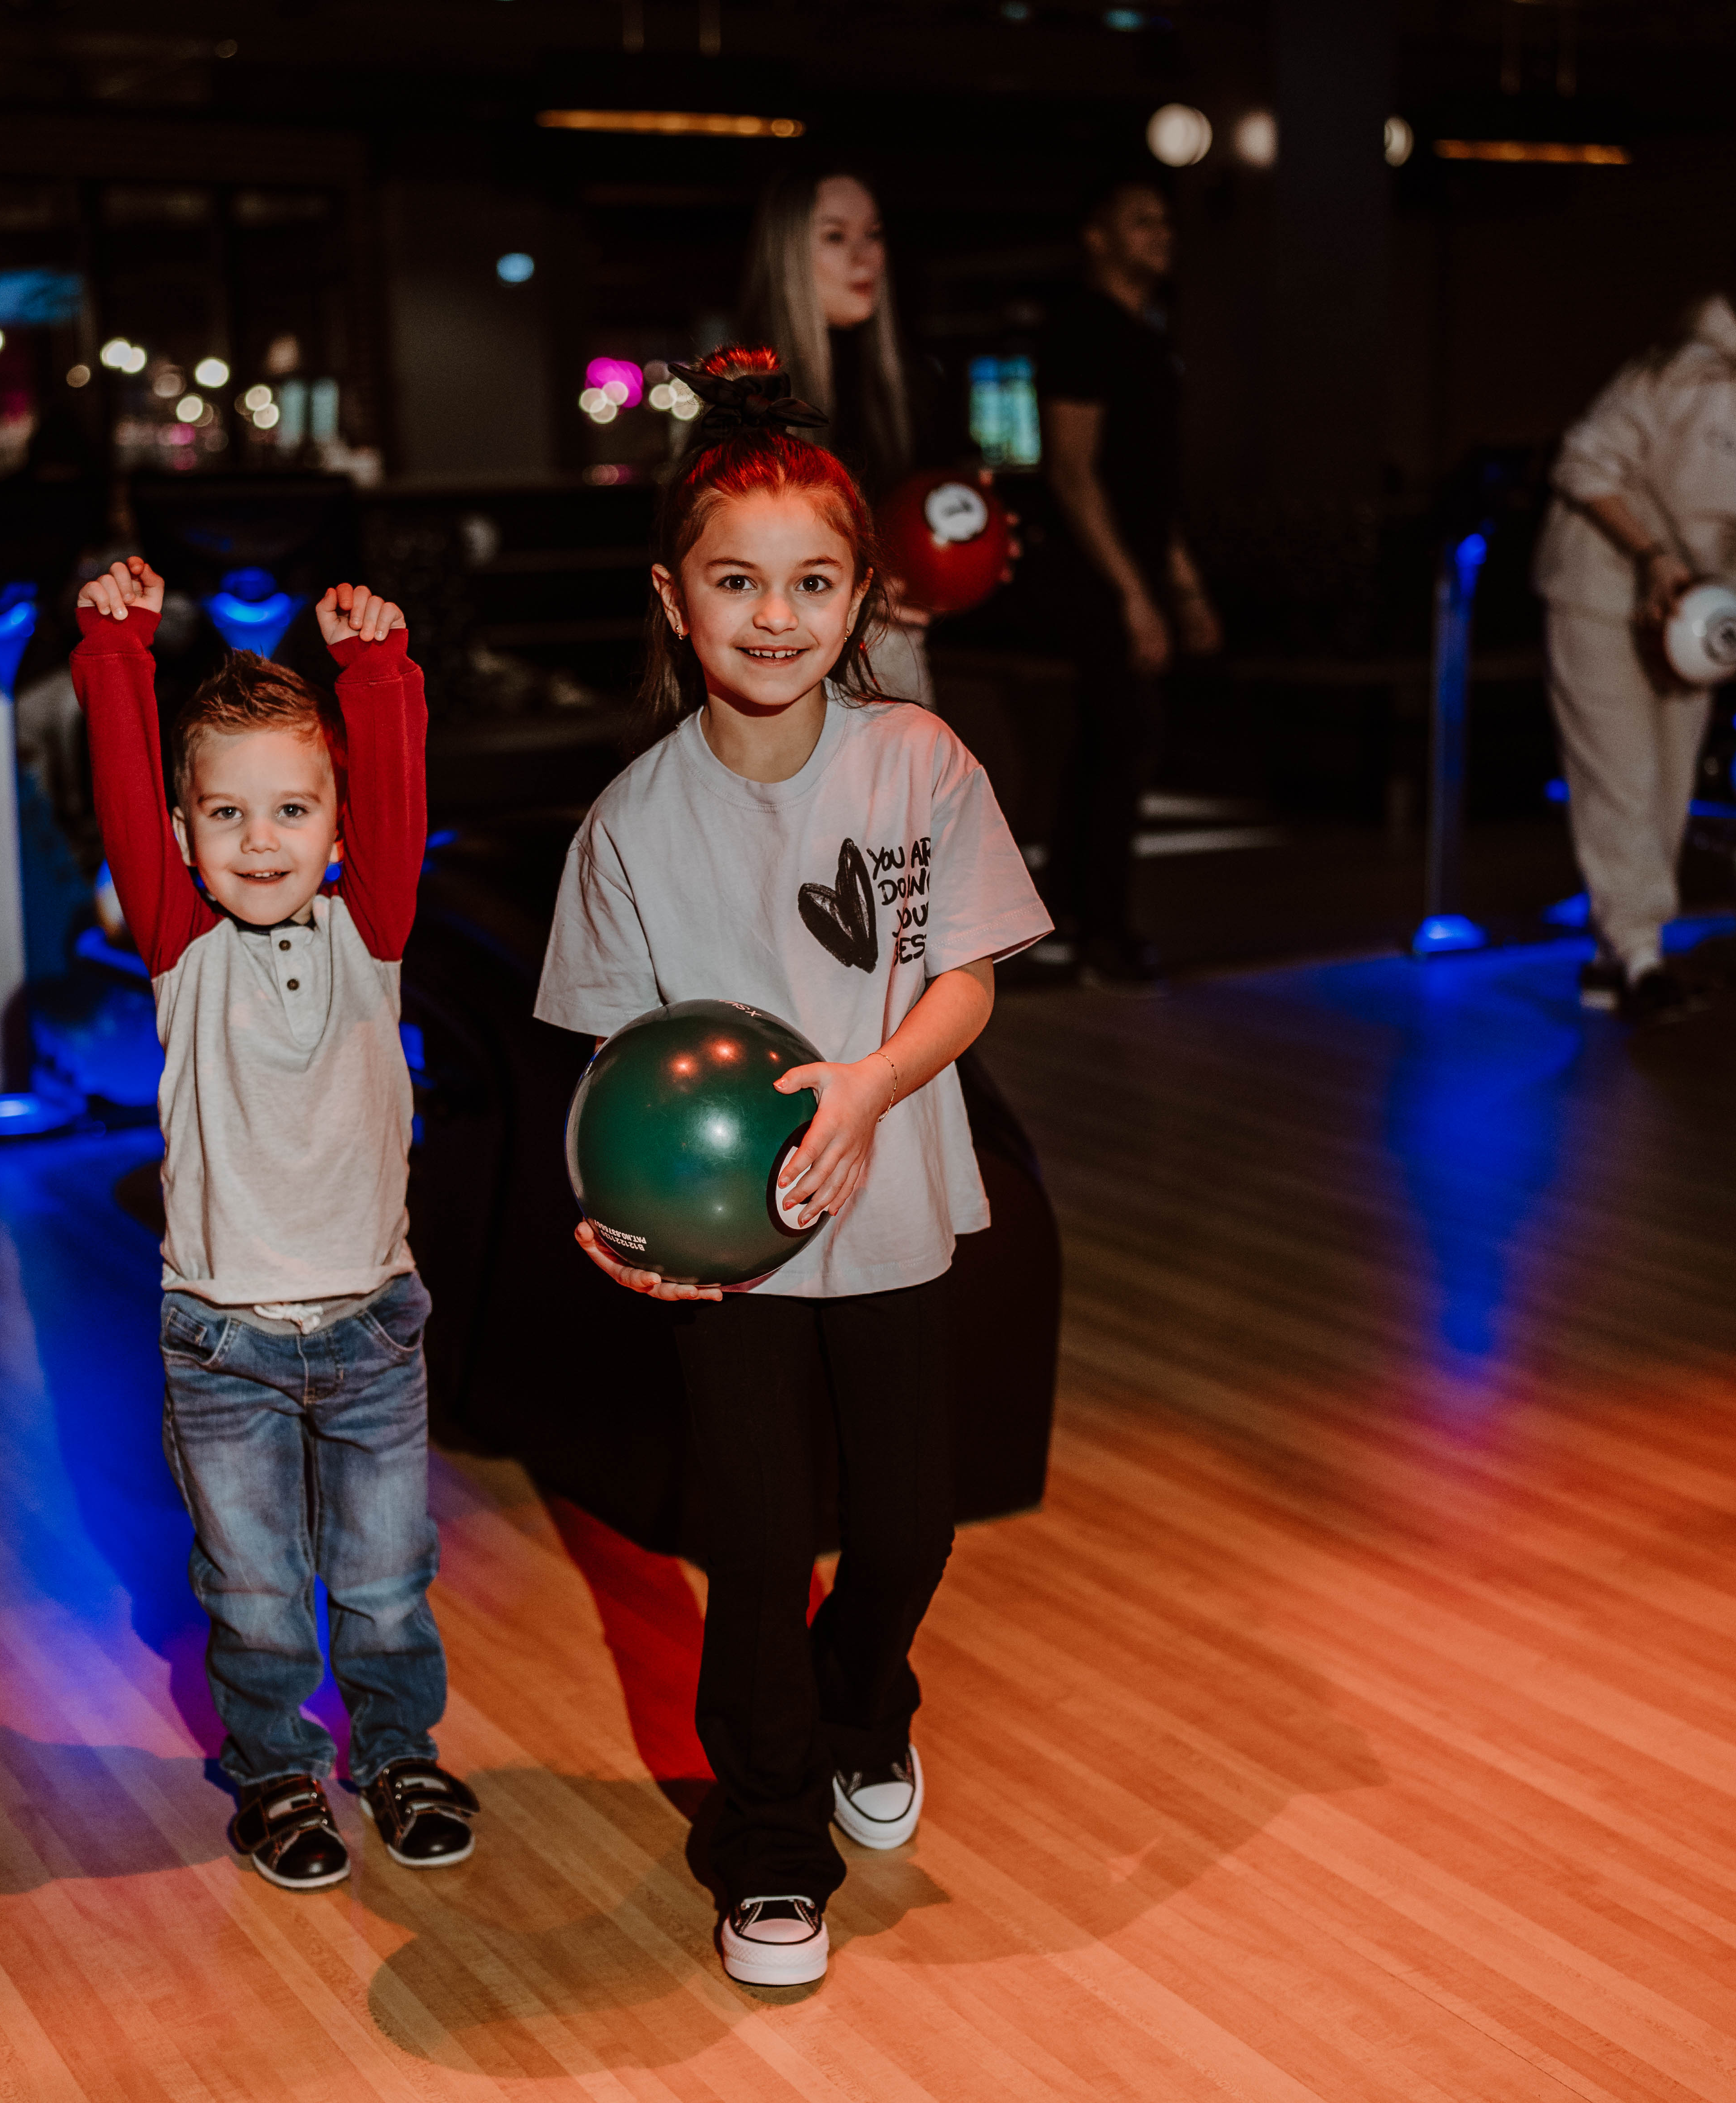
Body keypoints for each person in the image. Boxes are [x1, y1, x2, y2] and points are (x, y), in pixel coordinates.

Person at [536, 347, 1051, 1990]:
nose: (775, 614)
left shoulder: (921, 764)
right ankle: (766, 1843)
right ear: (673, 601)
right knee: (759, 1546)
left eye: (812, 582)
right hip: (727, 1254)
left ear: (861, 596)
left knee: (905, 1525)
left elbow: (966, 976)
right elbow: (606, 1068)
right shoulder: (627, 822)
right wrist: (614, 1219)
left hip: (893, 1207)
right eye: (736, 581)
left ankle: (862, 1699)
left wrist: (874, 1080)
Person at [68, 555, 483, 1892]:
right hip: (224, 1343)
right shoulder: (177, 948)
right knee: (250, 1592)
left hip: (371, 1326)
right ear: (182, 837)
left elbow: (405, 792)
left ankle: (395, 1747)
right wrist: (116, 650)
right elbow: (125, 786)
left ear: (338, 823)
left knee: (381, 1581)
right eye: (226, 814)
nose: (258, 839)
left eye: (291, 808)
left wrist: (379, 669)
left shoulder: (373, 931)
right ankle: (272, 1768)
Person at [1538, 240, 1736, 1022]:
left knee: (1670, 781)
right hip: (1601, 584)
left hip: (1688, 611)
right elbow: (1581, 462)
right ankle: (1641, 957)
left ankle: (1618, 961)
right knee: (1622, 774)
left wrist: (1720, 620)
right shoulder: (1683, 369)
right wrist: (1652, 560)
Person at [1033, 179, 1222, 990]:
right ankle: (1098, 933)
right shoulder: (1082, 329)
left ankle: (1069, 918)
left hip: (1135, 567)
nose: (1161, 235)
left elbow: (1154, 489)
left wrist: (1182, 588)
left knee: (1109, 741)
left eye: (1164, 222)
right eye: (1139, 220)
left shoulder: (1147, 336)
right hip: (1093, 572)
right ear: (1097, 237)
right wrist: (1131, 593)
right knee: (1125, 737)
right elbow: (1073, 474)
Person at [738, 168, 970, 704]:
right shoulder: (750, 398)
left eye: (874, 234)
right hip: (789, 684)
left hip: (892, 666)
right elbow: (729, 576)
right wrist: (853, 596)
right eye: (836, 237)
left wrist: (971, 553)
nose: (865, 258)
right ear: (789, 253)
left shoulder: (902, 386)